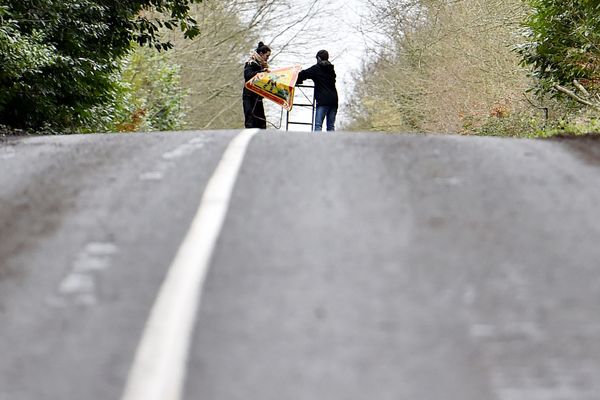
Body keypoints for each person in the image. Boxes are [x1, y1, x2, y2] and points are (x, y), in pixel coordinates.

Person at [297, 49, 339, 131]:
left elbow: (303, 74)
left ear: (319, 58)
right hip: (334, 100)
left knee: (318, 125)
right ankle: (332, 143)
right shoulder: (331, 69)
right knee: (331, 126)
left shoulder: (316, 68)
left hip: (323, 100)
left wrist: (298, 80)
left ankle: (317, 143)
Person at [243, 42, 271, 129]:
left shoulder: (261, 65)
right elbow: (247, 75)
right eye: (267, 56)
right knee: (250, 121)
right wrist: (262, 72)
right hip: (249, 96)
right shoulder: (251, 63)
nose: (267, 59)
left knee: (261, 122)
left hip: (258, 97)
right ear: (261, 54)